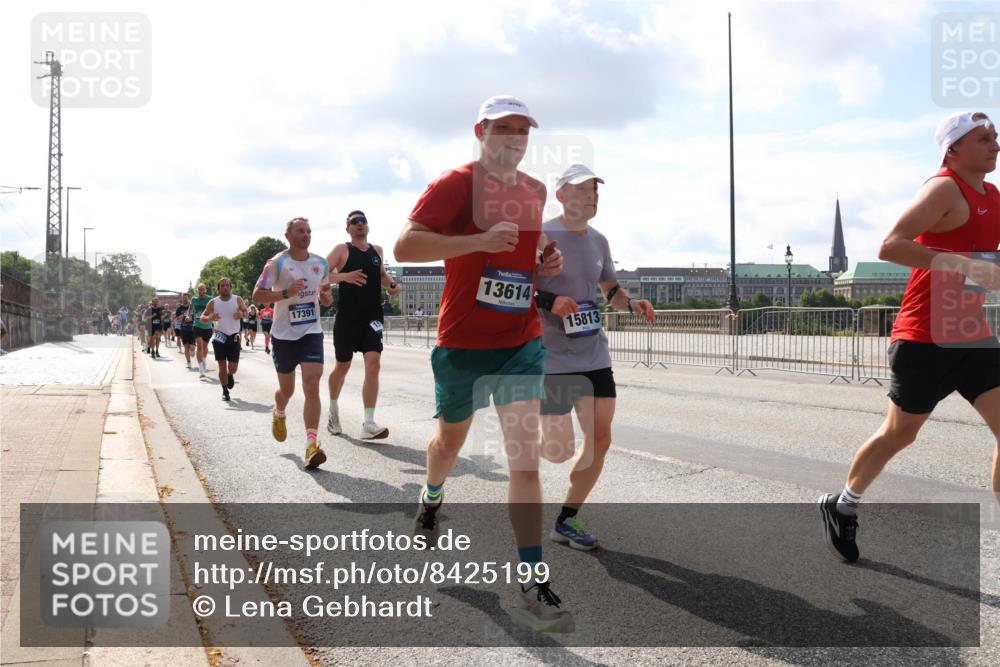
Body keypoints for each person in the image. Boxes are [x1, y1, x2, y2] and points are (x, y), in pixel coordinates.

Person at [394, 95, 572, 633]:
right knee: (449, 445)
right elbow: (404, 246)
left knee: (524, 458)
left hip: (521, 342)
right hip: (463, 343)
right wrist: (475, 240)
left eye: (523, 130)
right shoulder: (455, 183)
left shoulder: (537, 192)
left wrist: (547, 262)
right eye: (504, 128)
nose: (515, 138)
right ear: (481, 131)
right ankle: (431, 496)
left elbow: (528, 259)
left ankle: (531, 575)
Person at [820, 111, 1000, 563]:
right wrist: (967, 266)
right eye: (984, 138)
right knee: (900, 434)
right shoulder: (942, 187)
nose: (995, 144)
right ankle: (844, 503)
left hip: (972, 334)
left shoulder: (993, 195)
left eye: (995, 136)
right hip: (924, 337)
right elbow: (891, 245)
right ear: (953, 149)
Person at [536, 164, 656, 551]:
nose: (591, 196)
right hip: (550, 357)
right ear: (561, 196)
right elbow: (518, 285)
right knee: (558, 451)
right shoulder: (540, 236)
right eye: (582, 190)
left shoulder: (599, 241)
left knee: (600, 440)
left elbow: (610, 289)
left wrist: (630, 302)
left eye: (595, 191)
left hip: (593, 354)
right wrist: (550, 301)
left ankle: (567, 518)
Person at [252, 217, 334, 469]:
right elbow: (257, 296)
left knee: (312, 383)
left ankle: (312, 444)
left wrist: (325, 295)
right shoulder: (277, 263)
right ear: (288, 235)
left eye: (309, 230)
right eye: (300, 231)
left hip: (311, 331)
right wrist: (287, 293)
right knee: (287, 390)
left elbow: (328, 299)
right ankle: (279, 411)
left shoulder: (320, 264)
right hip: (284, 334)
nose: (306, 234)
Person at [325, 210, 401, 440]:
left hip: (372, 318)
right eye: (354, 222)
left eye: (363, 221)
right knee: (342, 367)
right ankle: (333, 410)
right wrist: (343, 277)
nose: (360, 224)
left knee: (374, 363)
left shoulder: (377, 251)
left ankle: (368, 423)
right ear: (347, 228)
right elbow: (317, 274)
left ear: (368, 226)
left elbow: (382, 276)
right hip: (347, 318)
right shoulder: (342, 250)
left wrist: (392, 285)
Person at [199, 277, 247, 402]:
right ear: (219, 288)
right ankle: (225, 391)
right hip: (219, 336)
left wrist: (241, 314)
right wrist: (210, 317)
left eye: (227, 285)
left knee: (233, 367)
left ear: (231, 287)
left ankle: (230, 374)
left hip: (234, 336)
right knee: (221, 365)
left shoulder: (237, 299)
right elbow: (202, 318)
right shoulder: (213, 302)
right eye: (222, 285)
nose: (225, 287)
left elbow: (247, 313)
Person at [190, 283, 213, 377]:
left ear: (205, 290)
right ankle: (201, 368)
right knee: (199, 347)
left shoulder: (210, 299)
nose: (201, 291)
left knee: (205, 347)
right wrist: (188, 314)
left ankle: (203, 360)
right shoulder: (194, 299)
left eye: (203, 289)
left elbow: (214, 309)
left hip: (207, 327)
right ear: (197, 290)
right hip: (197, 325)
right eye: (199, 289)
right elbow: (191, 308)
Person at [175, 293, 196, 368]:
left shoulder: (193, 307)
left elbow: (197, 315)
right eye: (183, 298)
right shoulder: (179, 308)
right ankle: (188, 362)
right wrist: (181, 317)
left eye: (186, 298)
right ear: (182, 299)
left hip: (192, 329)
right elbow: (176, 318)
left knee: (192, 347)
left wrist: (192, 318)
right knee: (186, 346)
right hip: (183, 329)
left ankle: (192, 350)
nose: (184, 299)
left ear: (188, 298)